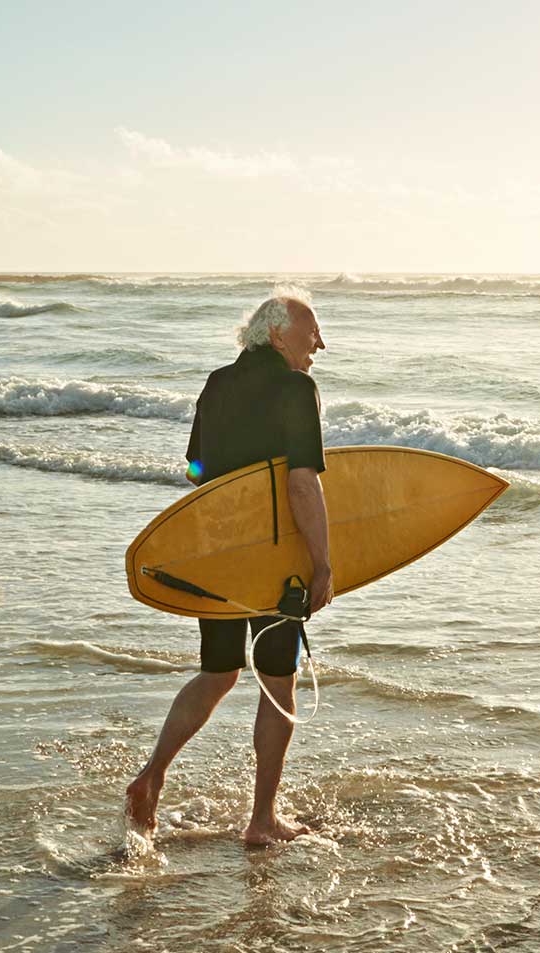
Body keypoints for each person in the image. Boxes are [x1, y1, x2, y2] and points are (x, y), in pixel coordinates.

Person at [125, 286, 332, 848]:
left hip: (216, 556)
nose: (320, 343)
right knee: (277, 681)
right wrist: (323, 563)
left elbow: (194, 470)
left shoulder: (217, 383)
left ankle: (152, 774)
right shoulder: (297, 387)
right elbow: (302, 480)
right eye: (312, 331)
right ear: (277, 333)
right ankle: (262, 819)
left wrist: (226, 498)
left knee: (218, 672)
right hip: (272, 561)